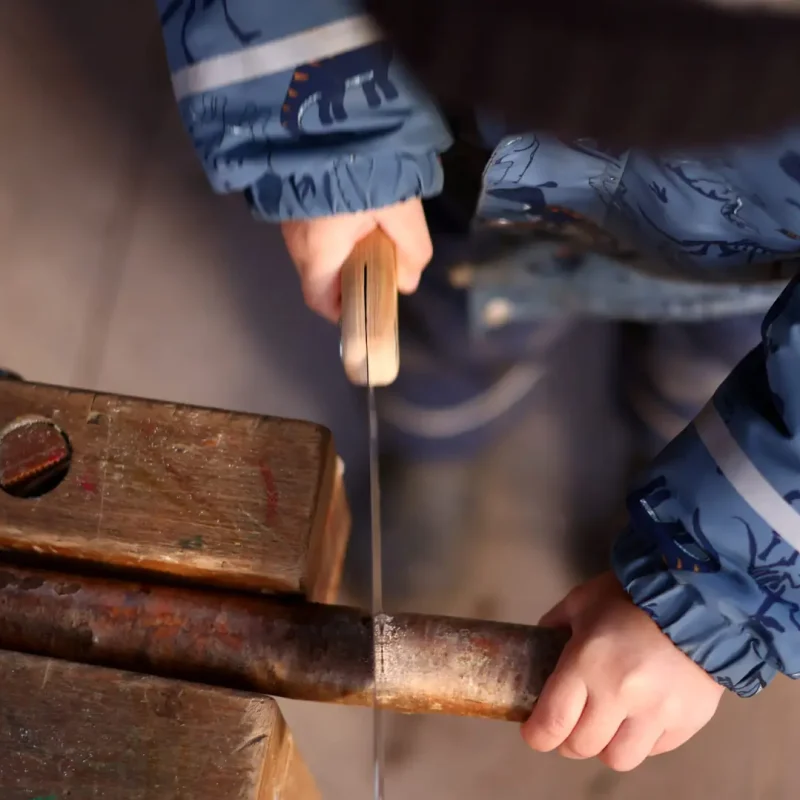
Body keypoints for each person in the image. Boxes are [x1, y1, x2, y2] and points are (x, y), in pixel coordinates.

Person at [156, 0, 800, 773]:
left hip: (753, 265)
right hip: (484, 184)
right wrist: (332, 136)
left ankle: (676, 489)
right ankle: (437, 446)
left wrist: (717, 590)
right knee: (448, 342)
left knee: (703, 388)